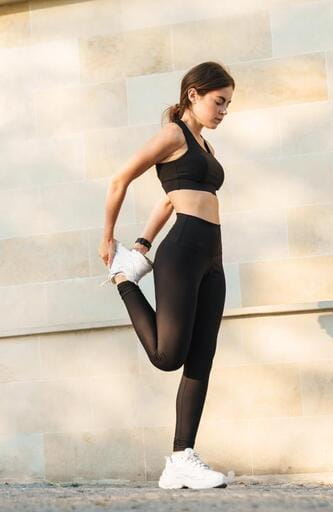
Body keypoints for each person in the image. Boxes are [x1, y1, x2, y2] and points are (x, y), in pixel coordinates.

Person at [98, 61, 235, 489]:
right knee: (167, 357)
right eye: (219, 101)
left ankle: (181, 458)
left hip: (211, 257)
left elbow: (172, 198)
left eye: (228, 104)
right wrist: (109, 237)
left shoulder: (204, 145)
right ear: (193, 94)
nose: (224, 111)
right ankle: (125, 281)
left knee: (201, 360)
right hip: (182, 255)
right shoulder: (174, 134)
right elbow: (121, 177)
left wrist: (142, 242)